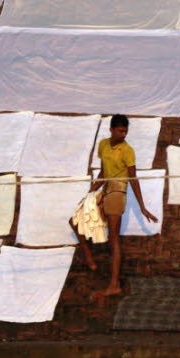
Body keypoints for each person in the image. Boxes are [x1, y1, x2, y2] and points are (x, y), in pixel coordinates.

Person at [71, 114, 158, 299]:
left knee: (114, 240)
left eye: (126, 131)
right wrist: (90, 193)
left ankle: (114, 285)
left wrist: (142, 207)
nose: (124, 134)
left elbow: (133, 180)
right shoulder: (103, 144)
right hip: (106, 188)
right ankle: (89, 256)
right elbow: (103, 172)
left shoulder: (128, 150)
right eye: (120, 130)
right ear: (111, 129)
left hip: (118, 193)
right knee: (75, 220)